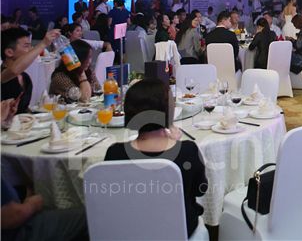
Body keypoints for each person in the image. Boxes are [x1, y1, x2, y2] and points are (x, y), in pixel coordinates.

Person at [104, 79, 207, 237]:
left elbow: (109, 199)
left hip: (128, 232)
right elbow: (200, 190)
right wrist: (175, 142)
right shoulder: (188, 151)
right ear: (168, 111)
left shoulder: (115, 154)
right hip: (178, 230)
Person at [1, 177, 88, 241]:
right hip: (17, 232)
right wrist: (32, 205)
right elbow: (13, 216)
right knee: (89, 218)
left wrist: (22, 192)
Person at [1, 28, 60, 115]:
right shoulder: (2, 74)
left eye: (30, 45)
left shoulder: (25, 77)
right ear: (9, 52)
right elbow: (13, 71)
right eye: (26, 46)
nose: (31, 49)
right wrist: (43, 43)